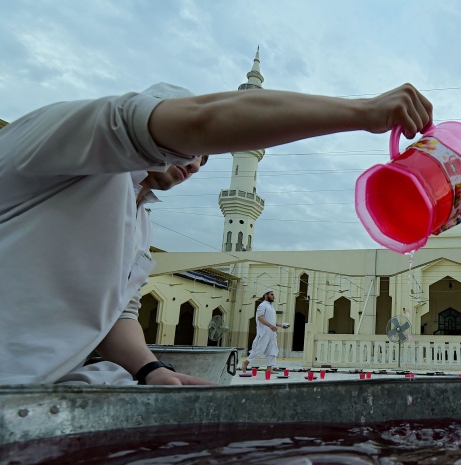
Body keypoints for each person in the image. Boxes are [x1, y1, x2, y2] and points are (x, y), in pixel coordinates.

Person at [0, 82, 432, 385]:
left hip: (42, 396)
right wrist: (362, 112)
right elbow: (200, 122)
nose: (193, 164)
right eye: (188, 152)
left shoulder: (138, 218)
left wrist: (151, 370)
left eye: (204, 160)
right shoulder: (69, 136)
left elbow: (117, 316)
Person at [241, 289, 288, 375]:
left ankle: (269, 369)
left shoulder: (272, 307)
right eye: (272, 294)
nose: (274, 296)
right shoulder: (262, 306)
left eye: (273, 295)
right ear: (266, 295)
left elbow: (272, 322)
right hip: (264, 332)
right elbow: (260, 317)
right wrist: (270, 326)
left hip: (272, 333)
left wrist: (281, 325)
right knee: (259, 349)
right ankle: (246, 362)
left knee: (273, 349)